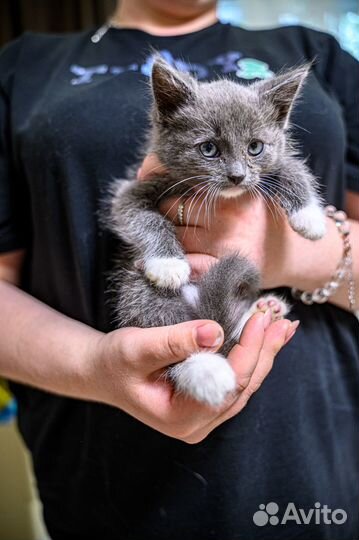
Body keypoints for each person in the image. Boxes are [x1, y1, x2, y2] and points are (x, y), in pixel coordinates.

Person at [0, 0, 358, 538]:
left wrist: (298, 255)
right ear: (166, 111)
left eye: (256, 150)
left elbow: (285, 184)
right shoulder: (22, 65)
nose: (239, 172)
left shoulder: (319, 55)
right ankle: (189, 359)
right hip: (110, 483)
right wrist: (97, 366)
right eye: (212, 151)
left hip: (315, 464)